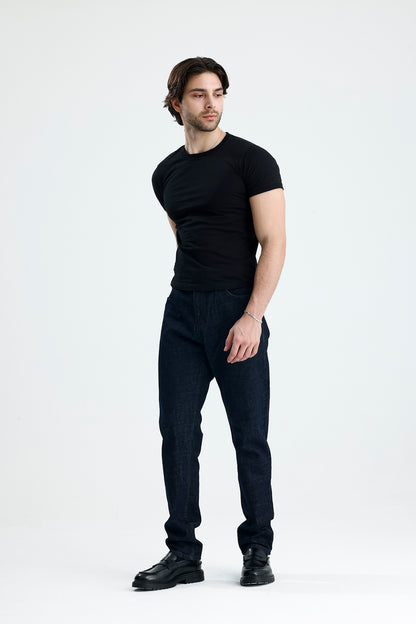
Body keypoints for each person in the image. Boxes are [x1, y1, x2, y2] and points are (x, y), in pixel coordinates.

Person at [132, 56, 286, 590]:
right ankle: (183, 554)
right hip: (181, 311)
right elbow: (185, 236)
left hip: (235, 309)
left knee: (249, 434)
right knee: (177, 432)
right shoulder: (165, 174)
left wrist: (251, 316)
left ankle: (257, 548)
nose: (211, 103)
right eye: (199, 94)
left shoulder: (252, 161)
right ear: (177, 102)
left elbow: (274, 241)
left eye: (218, 93)